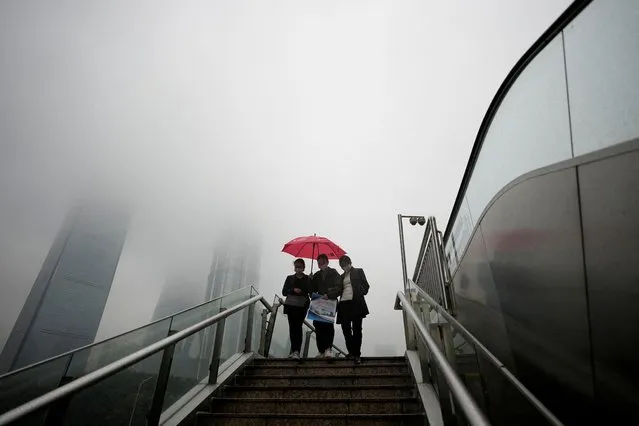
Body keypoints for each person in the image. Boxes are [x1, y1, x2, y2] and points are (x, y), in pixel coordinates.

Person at [334, 255, 369, 364]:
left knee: (357, 329)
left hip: (356, 303)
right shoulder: (341, 276)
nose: (345, 267)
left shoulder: (359, 271)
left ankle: (357, 354)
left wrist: (360, 292)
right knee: (346, 329)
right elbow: (338, 290)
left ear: (350, 263)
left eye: (346, 265)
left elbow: (366, 286)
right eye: (342, 266)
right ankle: (351, 351)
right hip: (344, 304)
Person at [310, 254, 340, 358]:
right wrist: (310, 280)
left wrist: (329, 294)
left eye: (322, 261)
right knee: (318, 326)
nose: (321, 264)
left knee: (328, 326)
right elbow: (311, 290)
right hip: (319, 302)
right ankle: (321, 350)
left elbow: (338, 287)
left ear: (327, 262)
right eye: (319, 262)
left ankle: (328, 349)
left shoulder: (334, 272)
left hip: (330, 302)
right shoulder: (316, 275)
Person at [282, 258, 311, 359]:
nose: (298, 269)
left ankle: (297, 351)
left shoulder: (308, 278)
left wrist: (310, 281)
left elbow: (310, 292)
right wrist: (293, 290)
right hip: (291, 305)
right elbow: (284, 292)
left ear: (303, 268)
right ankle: (294, 350)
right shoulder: (290, 278)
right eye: (296, 267)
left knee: (298, 327)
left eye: (300, 267)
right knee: (292, 328)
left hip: (302, 306)